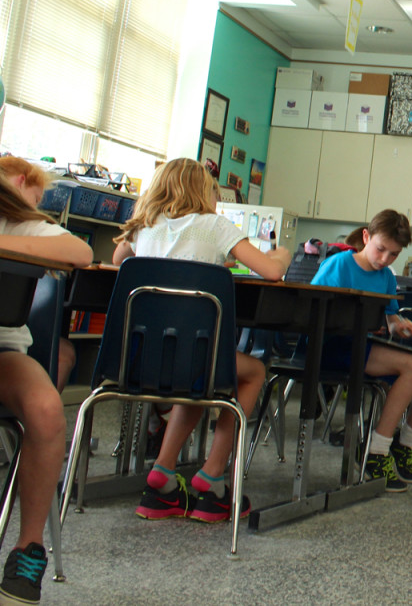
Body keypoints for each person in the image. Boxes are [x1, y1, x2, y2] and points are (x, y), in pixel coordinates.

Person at [112, 158, 292, 523]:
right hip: (193, 357)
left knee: (196, 377)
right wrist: (283, 252)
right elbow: (272, 271)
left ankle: (161, 474)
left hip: (138, 358)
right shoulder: (216, 226)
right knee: (251, 370)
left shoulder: (142, 227)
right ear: (204, 193)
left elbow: (120, 262)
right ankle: (212, 475)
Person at [0, 172, 93, 605]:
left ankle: (28, 548)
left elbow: (80, 251)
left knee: (45, 408)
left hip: (4, 353)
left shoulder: (12, 220)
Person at [311, 209, 412, 492]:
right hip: (334, 346)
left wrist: (399, 324)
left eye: (394, 254)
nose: (385, 259)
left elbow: (389, 316)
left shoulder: (385, 276)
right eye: (380, 249)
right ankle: (375, 452)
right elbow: (313, 312)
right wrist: (359, 326)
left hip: (365, 345)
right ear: (366, 237)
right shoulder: (339, 265)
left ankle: (404, 445)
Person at [0, 156, 79, 393]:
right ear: (21, 181)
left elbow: (80, 251)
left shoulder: (18, 225)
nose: (34, 208)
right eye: (35, 199)